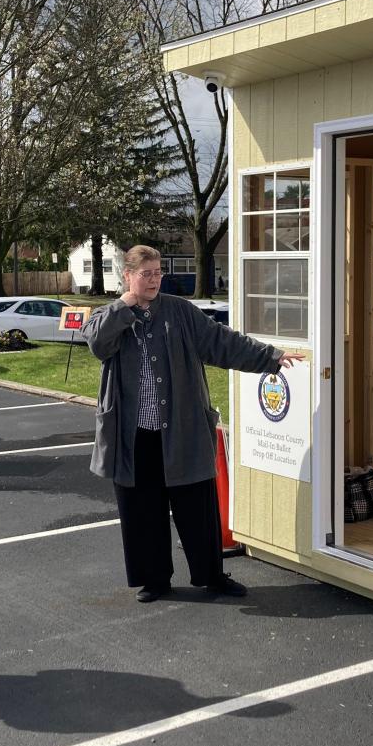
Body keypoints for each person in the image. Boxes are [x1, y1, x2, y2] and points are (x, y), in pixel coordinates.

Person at [83, 245, 303, 602]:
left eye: (157, 273)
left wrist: (271, 356)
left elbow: (222, 342)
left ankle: (212, 576)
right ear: (128, 276)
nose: (154, 280)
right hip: (133, 436)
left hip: (182, 429)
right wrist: (125, 306)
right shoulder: (109, 315)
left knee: (196, 507)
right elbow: (97, 343)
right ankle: (154, 580)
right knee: (142, 511)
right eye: (146, 274)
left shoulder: (180, 312)